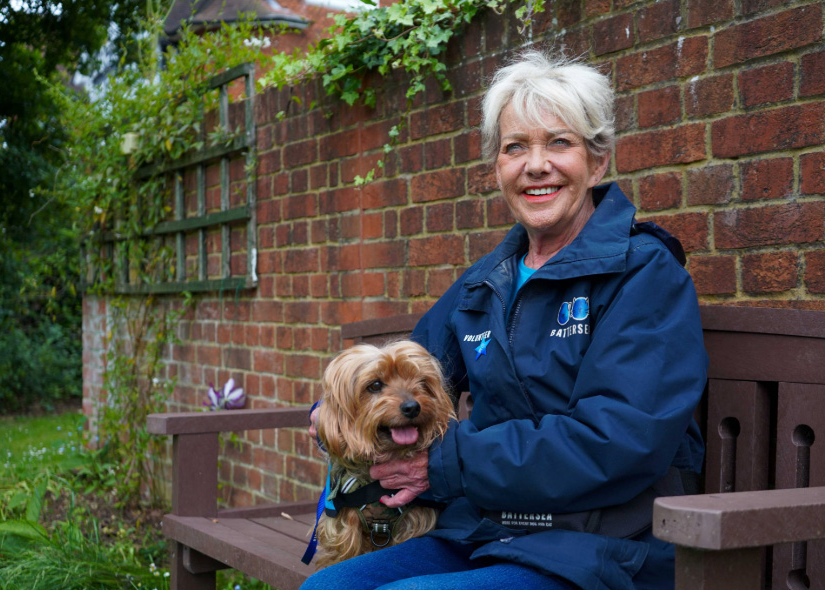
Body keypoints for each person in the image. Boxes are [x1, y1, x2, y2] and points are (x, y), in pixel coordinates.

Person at [302, 50, 707, 590]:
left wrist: (447, 466)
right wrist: (336, 411)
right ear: (498, 169)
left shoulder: (644, 275)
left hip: (603, 548)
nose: (535, 164)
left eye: (558, 143)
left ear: (598, 161)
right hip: (488, 532)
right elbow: (404, 372)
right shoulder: (485, 283)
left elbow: (617, 438)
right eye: (516, 147)